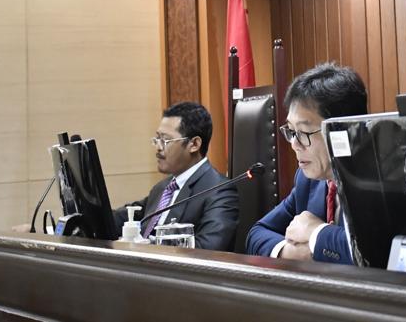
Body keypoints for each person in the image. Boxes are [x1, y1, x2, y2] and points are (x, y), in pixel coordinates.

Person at [246, 62, 367, 264]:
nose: (294, 144)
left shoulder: (377, 182)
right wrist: (289, 252)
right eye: (292, 131)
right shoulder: (309, 181)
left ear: (344, 129)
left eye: (304, 132)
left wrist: (316, 233)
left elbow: (373, 252)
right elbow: (257, 233)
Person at [113, 101, 238, 252]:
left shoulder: (219, 191)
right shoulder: (163, 187)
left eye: (165, 140)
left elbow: (209, 248)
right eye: (157, 139)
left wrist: (147, 248)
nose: (158, 147)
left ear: (194, 144)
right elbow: (127, 216)